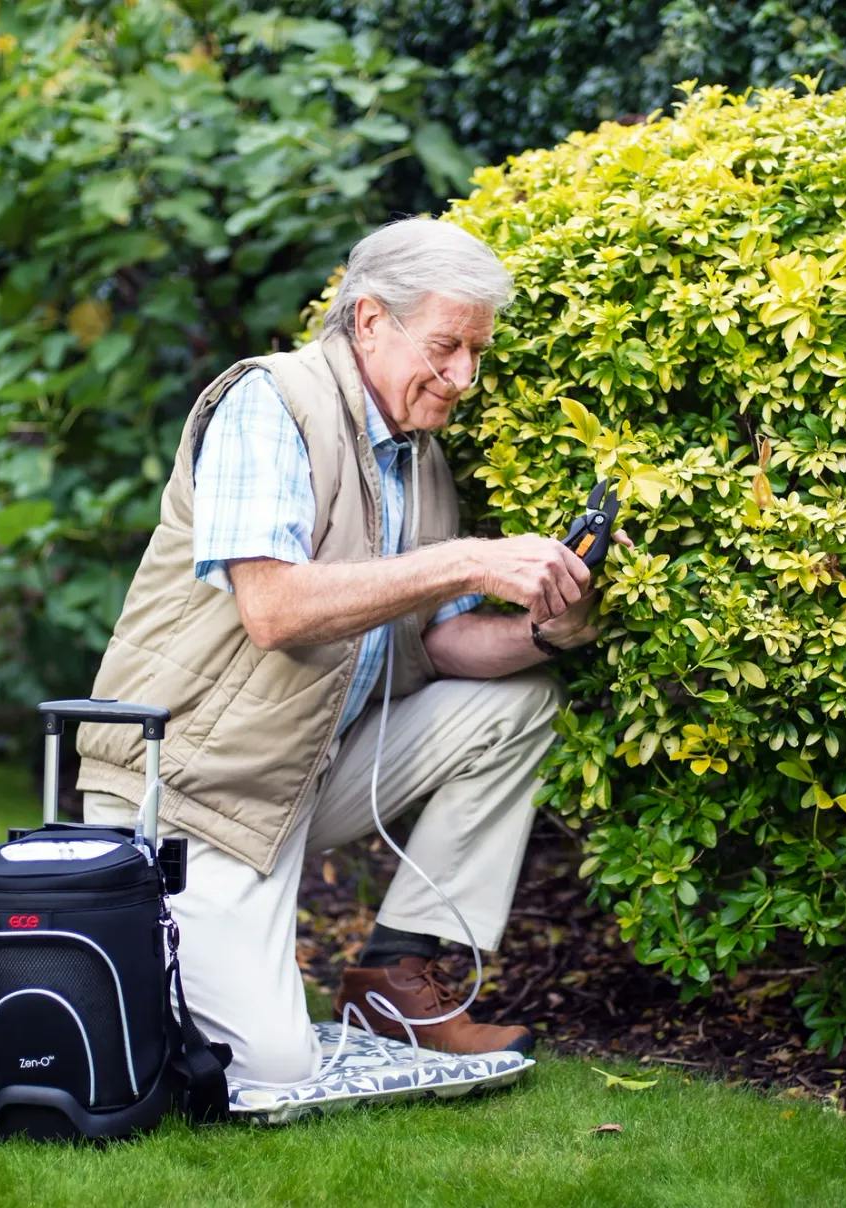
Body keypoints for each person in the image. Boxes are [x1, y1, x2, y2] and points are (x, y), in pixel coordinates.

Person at [75, 217, 621, 1085]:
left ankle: (392, 980)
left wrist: (543, 630)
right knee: (268, 1067)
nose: (464, 377)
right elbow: (275, 608)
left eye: (476, 352)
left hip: (305, 775)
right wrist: (474, 557)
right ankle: (138, 948)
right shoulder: (270, 401)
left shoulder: (418, 457)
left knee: (518, 702)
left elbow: (434, 645)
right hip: (191, 793)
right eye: (447, 347)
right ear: (370, 320)